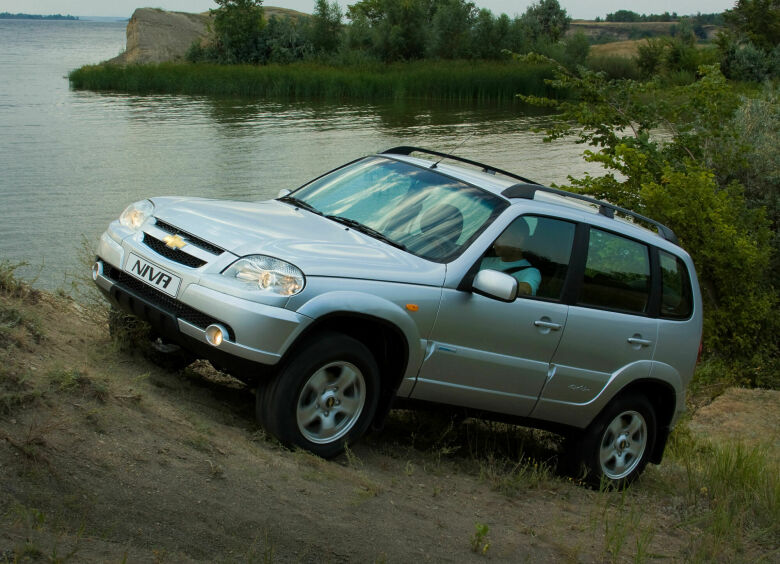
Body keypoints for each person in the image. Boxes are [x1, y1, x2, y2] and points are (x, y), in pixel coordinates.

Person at [480, 218, 541, 296]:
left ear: (519, 240)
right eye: (497, 236)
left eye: (502, 237)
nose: (496, 241)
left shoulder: (531, 272)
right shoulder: (484, 261)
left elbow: (525, 290)